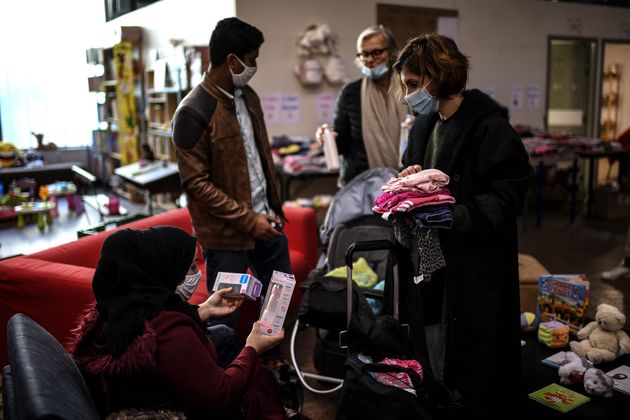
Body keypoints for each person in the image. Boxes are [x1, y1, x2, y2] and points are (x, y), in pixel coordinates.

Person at [392, 34, 534, 417]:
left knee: (475, 346)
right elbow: (419, 167)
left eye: (412, 84)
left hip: (477, 260)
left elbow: (511, 193)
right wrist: (411, 176)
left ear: (437, 76)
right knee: (437, 336)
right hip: (435, 253)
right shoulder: (425, 123)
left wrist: (460, 215)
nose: (408, 94)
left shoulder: (489, 127)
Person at [69, 226, 287, 419]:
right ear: (164, 270)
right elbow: (220, 397)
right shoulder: (170, 333)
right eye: (191, 267)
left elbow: (157, 331)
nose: (197, 275)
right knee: (258, 376)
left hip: (133, 402)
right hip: (177, 411)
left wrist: (204, 310)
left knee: (222, 334)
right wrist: (252, 348)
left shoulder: (115, 311)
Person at [171, 17, 291, 328]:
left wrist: (269, 211)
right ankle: (228, 374)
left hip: (268, 223)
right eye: (251, 61)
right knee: (225, 319)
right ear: (232, 60)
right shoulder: (192, 111)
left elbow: (258, 159)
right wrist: (249, 220)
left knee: (278, 305)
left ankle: (274, 363)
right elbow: (196, 184)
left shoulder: (248, 97)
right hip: (226, 238)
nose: (254, 67)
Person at [316, 25, 410, 186]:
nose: (370, 60)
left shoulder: (409, 88)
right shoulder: (350, 93)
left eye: (376, 53)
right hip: (362, 184)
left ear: (392, 52)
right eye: (364, 55)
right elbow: (341, 142)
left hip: (406, 181)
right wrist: (328, 139)